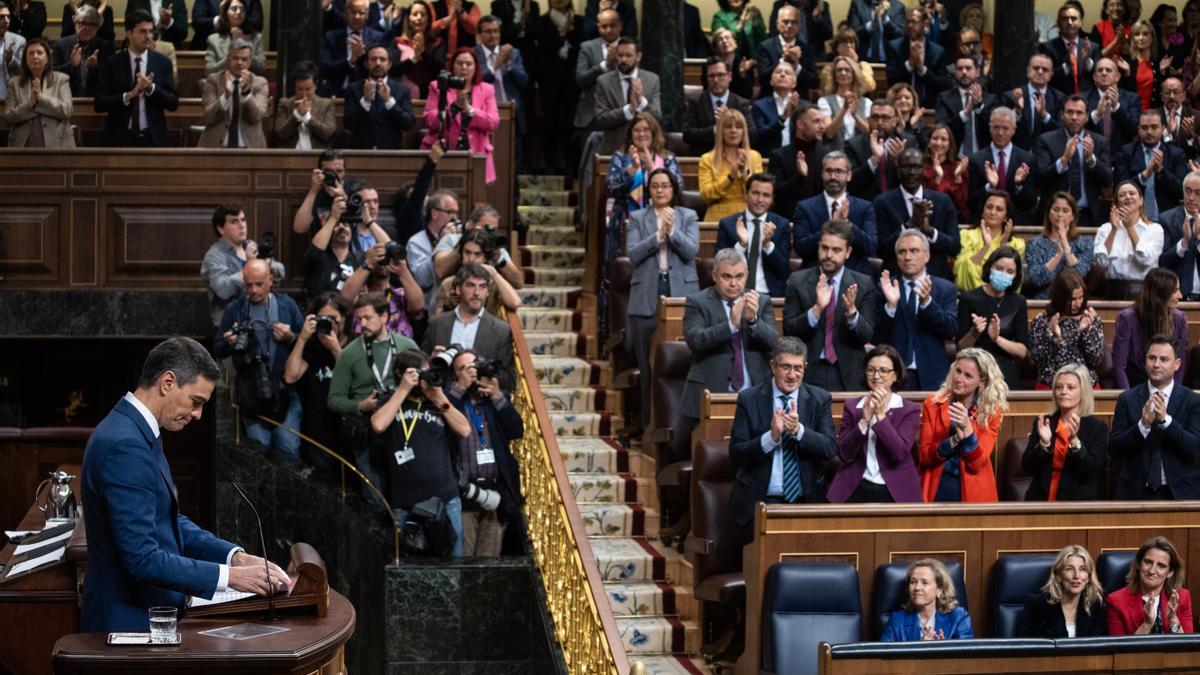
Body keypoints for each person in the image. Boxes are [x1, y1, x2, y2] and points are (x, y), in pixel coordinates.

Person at [80, 337, 290, 632]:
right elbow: (142, 559)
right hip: (128, 624)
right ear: (167, 382)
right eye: (196, 402)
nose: (197, 415)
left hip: (146, 612)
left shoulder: (138, 430)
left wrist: (235, 557)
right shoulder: (124, 444)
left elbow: (167, 518)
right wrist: (229, 577)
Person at [370, 348, 471, 557]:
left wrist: (439, 396)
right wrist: (403, 390)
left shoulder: (437, 403)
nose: (423, 377)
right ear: (401, 374)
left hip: (446, 499)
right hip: (406, 502)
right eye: (418, 373)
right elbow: (378, 425)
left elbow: (464, 429)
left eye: (426, 371)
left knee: (453, 563)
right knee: (410, 570)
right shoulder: (390, 400)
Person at [727, 337, 836, 526]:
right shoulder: (749, 398)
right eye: (785, 367)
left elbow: (829, 449)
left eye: (798, 368)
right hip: (760, 502)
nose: (792, 375)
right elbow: (736, 454)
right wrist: (771, 438)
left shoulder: (820, 399)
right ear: (772, 365)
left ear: (805, 366)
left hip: (805, 501)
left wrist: (799, 431)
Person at [625, 168, 699, 426]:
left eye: (665, 185)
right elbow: (633, 254)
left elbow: (691, 251)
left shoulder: (688, 216)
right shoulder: (637, 218)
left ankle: (678, 426)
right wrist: (658, 236)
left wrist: (672, 231)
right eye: (655, 186)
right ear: (649, 190)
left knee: (683, 364)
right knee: (648, 369)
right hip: (646, 296)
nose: (659, 190)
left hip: (681, 293)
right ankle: (648, 427)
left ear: (673, 189)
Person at [213, 260, 305, 459]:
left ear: (270, 280)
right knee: (257, 455)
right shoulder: (235, 309)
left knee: (288, 451)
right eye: (248, 285)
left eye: (259, 284)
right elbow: (217, 349)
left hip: (284, 392)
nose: (253, 290)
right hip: (251, 393)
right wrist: (229, 342)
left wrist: (291, 338)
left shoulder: (286, 305)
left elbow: (307, 343)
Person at [327, 293, 420, 489]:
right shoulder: (349, 353)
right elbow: (334, 399)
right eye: (359, 319)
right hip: (367, 431)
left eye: (368, 318)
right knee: (374, 490)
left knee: (408, 485)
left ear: (384, 317)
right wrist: (360, 405)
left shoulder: (407, 346)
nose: (362, 324)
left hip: (404, 427)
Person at [681, 248, 778, 421]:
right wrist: (730, 325)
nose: (733, 284)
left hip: (755, 391)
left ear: (747, 275)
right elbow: (695, 341)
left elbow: (774, 343)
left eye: (739, 276)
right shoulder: (697, 302)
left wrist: (754, 321)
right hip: (711, 391)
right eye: (727, 277)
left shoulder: (760, 302)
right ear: (714, 276)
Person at [783, 219, 879, 392]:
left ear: (848, 252)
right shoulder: (797, 281)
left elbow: (867, 333)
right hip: (807, 370)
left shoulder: (863, 284)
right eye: (825, 248)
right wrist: (816, 309)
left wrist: (851, 313)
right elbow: (789, 329)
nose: (829, 255)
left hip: (847, 372)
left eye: (836, 250)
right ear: (818, 246)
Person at [444, 348, 524, 556]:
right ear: (455, 376)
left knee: (489, 563)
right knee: (465, 559)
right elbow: (441, 422)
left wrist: (497, 396)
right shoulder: (450, 401)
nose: (470, 372)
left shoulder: (495, 398)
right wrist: (459, 389)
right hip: (464, 495)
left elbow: (516, 430)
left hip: (495, 493)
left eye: (473, 366)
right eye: (463, 368)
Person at [828, 344, 922, 503]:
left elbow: (898, 453)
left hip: (895, 488)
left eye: (883, 371)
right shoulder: (853, 407)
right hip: (856, 484)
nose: (876, 376)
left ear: (896, 375)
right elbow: (844, 454)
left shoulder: (909, 410)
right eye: (871, 370)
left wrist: (880, 416)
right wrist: (864, 421)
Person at [1110, 335, 1200, 499]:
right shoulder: (1127, 399)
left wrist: (1166, 421)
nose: (1156, 364)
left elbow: (1193, 448)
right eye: (1152, 358)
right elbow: (1115, 449)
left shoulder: (1193, 401)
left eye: (1164, 359)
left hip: (1180, 492)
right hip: (1135, 492)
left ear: (1177, 364)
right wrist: (1142, 425)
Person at [918, 348, 1006, 502]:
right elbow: (925, 457)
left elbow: (977, 464)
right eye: (958, 371)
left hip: (975, 490)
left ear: (982, 381)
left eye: (968, 376)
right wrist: (952, 442)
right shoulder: (932, 404)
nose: (959, 378)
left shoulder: (990, 412)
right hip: (937, 485)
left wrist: (968, 430)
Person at [878, 229, 959, 391]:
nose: (908, 257)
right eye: (902, 252)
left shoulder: (945, 289)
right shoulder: (884, 288)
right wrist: (891, 306)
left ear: (927, 256)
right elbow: (876, 336)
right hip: (894, 375)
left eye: (914, 251)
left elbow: (950, 330)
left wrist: (928, 303)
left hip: (933, 375)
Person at [284, 292, 352, 477]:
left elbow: (354, 382)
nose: (328, 323)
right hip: (317, 431)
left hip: (345, 431)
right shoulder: (313, 347)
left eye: (333, 318)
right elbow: (290, 376)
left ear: (344, 319)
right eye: (323, 318)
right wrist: (303, 338)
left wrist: (336, 349)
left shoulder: (353, 347)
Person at [422, 264, 516, 391]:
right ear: (458, 289)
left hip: (481, 404)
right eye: (471, 285)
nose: (477, 293)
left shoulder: (501, 330)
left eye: (482, 287)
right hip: (441, 401)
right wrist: (431, 362)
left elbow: (509, 380)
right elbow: (422, 367)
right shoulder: (436, 324)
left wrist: (487, 374)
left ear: (488, 292)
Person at [1022, 364, 1108, 501]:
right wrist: (1044, 444)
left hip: (1077, 503)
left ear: (1083, 391)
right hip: (1040, 499)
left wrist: (1075, 441)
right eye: (1058, 387)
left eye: (1070, 387)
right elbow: (1027, 467)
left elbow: (1090, 471)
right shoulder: (1044, 422)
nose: (1063, 392)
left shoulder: (1097, 428)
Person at [875, 146, 960, 281]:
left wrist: (930, 231)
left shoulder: (942, 201)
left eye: (917, 167)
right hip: (896, 278)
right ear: (898, 170)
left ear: (924, 170)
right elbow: (881, 249)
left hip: (936, 276)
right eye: (907, 167)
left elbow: (955, 247)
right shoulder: (883, 202)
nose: (912, 172)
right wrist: (909, 226)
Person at [95, 10, 178, 147]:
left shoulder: (162, 62)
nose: (148, 36)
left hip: (153, 139)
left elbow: (173, 103)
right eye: (142, 32)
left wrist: (150, 89)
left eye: (150, 31)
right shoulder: (112, 63)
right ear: (128, 33)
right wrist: (129, 95)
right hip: (119, 139)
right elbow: (99, 104)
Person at [1034, 94, 1115, 228]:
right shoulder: (1046, 140)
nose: (1074, 117)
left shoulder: (1099, 141)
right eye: (1070, 112)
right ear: (1062, 115)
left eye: (1079, 113)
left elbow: (1107, 180)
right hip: (1055, 217)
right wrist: (1064, 160)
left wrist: (1091, 159)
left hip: (1089, 216)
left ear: (1087, 116)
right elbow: (1040, 179)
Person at [793, 151, 877, 275]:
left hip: (855, 277)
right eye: (829, 171)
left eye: (839, 171)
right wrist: (832, 224)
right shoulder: (805, 207)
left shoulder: (865, 207)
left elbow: (870, 246)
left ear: (849, 175)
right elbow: (801, 248)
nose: (833, 176)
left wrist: (847, 224)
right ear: (822, 174)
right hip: (814, 277)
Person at [422, 47, 500, 182]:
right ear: (452, 66)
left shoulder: (487, 89)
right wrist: (454, 108)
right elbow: (430, 120)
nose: (464, 67)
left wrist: (469, 109)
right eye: (459, 63)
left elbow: (493, 122)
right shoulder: (438, 86)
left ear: (476, 67)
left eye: (469, 64)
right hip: (443, 152)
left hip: (475, 154)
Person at [957, 247, 1029, 387]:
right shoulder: (969, 298)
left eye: (1010, 272)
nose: (1003, 274)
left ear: (1016, 275)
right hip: (975, 370)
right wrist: (974, 333)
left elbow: (1022, 351)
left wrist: (997, 339)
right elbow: (960, 348)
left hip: (1005, 372)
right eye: (999, 268)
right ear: (990, 267)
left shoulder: (1018, 302)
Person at [715, 173, 791, 298]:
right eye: (755, 193)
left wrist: (768, 245)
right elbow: (719, 266)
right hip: (734, 293)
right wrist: (741, 245)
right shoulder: (728, 224)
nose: (760, 200)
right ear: (746, 194)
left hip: (769, 295)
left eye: (766, 195)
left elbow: (783, 270)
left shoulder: (781, 225)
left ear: (772, 199)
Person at [1029, 269, 1105, 389]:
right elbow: (1035, 360)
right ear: (1060, 297)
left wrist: (1085, 333)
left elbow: (1096, 360)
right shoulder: (1042, 321)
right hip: (1052, 385)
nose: (1078, 304)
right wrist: (1054, 338)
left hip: (1085, 385)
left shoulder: (1091, 319)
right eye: (1073, 299)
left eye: (1081, 298)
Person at [1113, 267, 1188, 388]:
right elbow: (1119, 366)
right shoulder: (1128, 318)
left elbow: (1180, 365)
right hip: (1134, 385)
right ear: (1161, 293)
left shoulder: (1179, 319)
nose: (1180, 295)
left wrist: (1172, 395)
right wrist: (1128, 398)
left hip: (1167, 387)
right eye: (1175, 291)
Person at [529, 0, 581, 172]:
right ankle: (550, 161)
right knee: (550, 120)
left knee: (569, 122)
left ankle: (569, 162)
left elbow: (581, 44)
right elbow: (543, 47)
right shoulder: (542, 22)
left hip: (572, 81)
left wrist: (568, 33)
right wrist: (562, 36)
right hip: (549, 80)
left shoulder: (578, 21)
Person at [1107, 536, 1194, 634]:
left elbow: (1186, 646)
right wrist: (1147, 624)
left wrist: (1173, 619)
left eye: (1161, 566)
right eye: (1148, 562)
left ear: (1170, 572)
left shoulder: (1182, 597)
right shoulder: (1116, 601)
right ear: (1139, 564)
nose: (1152, 570)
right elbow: (1120, 648)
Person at [1018, 544, 1108, 637]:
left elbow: (1103, 646)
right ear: (1058, 575)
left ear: (1089, 577)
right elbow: (1026, 646)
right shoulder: (1038, 605)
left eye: (1083, 569)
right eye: (1069, 569)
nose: (1076, 576)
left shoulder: (1096, 605)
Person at [768, 101, 838, 220]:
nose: (822, 126)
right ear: (800, 124)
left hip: (820, 220)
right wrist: (799, 177)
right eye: (816, 121)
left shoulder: (827, 155)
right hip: (789, 219)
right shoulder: (779, 155)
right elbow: (776, 194)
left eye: (822, 121)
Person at [592, 36, 661, 156]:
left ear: (638, 57)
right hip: (612, 151)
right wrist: (628, 110)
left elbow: (657, 116)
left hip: (645, 152)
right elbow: (600, 118)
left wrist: (641, 101)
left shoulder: (652, 80)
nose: (623, 60)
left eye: (628, 56)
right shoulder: (603, 81)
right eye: (620, 55)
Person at [1095, 181, 1165, 298]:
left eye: (1132, 193)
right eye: (1122, 195)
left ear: (1141, 200)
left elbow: (1145, 259)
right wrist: (1113, 230)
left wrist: (1129, 227)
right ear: (1116, 203)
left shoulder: (1154, 229)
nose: (1127, 197)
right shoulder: (1105, 229)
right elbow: (1101, 263)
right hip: (1114, 289)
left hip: (1144, 290)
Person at [1117, 108, 1188, 221]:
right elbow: (1120, 187)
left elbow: (1181, 190)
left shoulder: (1176, 154)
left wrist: (1161, 171)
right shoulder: (1127, 152)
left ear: (1163, 129)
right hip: (1133, 218)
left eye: (1154, 127)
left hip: (1167, 219)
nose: (1149, 132)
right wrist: (1144, 175)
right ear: (1138, 130)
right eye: (1144, 127)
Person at [475, 14, 529, 161]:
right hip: (484, 114)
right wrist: (495, 66)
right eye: (488, 32)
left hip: (511, 113)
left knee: (512, 159)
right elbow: (476, 82)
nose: (493, 35)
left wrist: (510, 64)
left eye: (496, 31)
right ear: (479, 35)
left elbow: (524, 83)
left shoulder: (513, 53)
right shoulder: (473, 54)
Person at [198, 38, 268, 148]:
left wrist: (246, 93)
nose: (239, 62)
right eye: (235, 58)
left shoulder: (260, 83)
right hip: (215, 148)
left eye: (244, 59)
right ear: (228, 59)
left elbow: (257, 116)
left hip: (250, 149)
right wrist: (225, 97)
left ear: (250, 62)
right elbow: (208, 116)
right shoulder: (213, 81)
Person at [880, 559, 974, 641]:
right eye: (913, 582)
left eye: (925, 582)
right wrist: (919, 648)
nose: (917, 587)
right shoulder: (897, 620)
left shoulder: (958, 617)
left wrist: (944, 649)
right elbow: (883, 658)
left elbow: (968, 656)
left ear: (939, 589)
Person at [4, 37, 72, 148]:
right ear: (25, 60)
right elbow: (8, 118)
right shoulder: (14, 83)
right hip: (22, 145)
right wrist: (30, 104)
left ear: (47, 59)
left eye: (39, 53)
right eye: (31, 53)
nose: (35, 56)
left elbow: (66, 111)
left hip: (57, 145)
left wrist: (41, 99)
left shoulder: (61, 79)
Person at [845, 98, 918, 201]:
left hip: (898, 203)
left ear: (894, 121)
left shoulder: (908, 142)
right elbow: (850, 182)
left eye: (885, 118)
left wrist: (901, 161)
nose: (879, 122)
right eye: (875, 117)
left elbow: (916, 180)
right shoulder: (853, 145)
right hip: (867, 203)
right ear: (869, 120)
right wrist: (874, 160)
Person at [347, 44, 417, 151]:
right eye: (373, 59)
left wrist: (389, 101)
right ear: (366, 64)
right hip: (360, 152)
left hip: (391, 153)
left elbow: (408, 124)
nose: (378, 63)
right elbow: (349, 124)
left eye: (382, 59)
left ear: (389, 65)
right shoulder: (354, 89)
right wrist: (365, 101)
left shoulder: (402, 90)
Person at [1024, 194, 1095, 299]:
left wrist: (1066, 246)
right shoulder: (1034, 244)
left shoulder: (1085, 242)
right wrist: (1058, 255)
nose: (1060, 214)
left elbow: (1080, 274)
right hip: (1044, 300)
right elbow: (1037, 279)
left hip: (1075, 300)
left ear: (1073, 216)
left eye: (1065, 210)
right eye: (1056, 209)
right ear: (1049, 214)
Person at [683, 56, 756, 155]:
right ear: (707, 78)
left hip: (735, 156)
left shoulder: (741, 103)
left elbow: (752, 134)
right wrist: (715, 130)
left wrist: (729, 122)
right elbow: (687, 135)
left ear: (729, 76)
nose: (716, 80)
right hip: (702, 156)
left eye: (720, 75)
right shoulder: (695, 102)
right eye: (711, 76)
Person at [700, 107, 763, 222]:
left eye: (738, 127)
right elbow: (706, 195)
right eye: (728, 126)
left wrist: (745, 172)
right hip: (717, 216)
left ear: (744, 131)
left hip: (748, 214)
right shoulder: (707, 159)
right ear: (720, 131)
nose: (733, 131)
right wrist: (730, 177)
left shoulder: (754, 156)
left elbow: (759, 193)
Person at [571, 8, 620, 153]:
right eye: (604, 26)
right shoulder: (587, 47)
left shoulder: (629, 47)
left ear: (620, 26)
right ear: (598, 27)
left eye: (613, 25)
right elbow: (581, 79)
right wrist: (605, 65)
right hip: (590, 115)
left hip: (619, 114)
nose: (608, 30)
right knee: (588, 163)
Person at [955, 191, 1025, 291]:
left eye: (999, 209)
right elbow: (963, 273)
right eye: (989, 207)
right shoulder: (966, 236)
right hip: (971, 295)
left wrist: (1003, 247)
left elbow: (1014, 282)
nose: (992, 212)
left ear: (1006, 217)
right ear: (982, 211)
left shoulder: (1017, 244)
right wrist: (986, 246)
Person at [319, 0, 386, 98]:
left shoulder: (377, 37)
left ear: (367, 15)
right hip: (337, 93)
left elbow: (379, 69)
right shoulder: (332, 37)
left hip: (367, 93)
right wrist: (349, 61)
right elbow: (325, 67)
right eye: (353, 12)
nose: (357, 16)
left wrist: (362, 56)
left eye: (361, 13)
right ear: (346, 13)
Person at [886, 5, 948, 108]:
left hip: (930, 107)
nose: (910, 25)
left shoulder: (938, 52)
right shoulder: (895, 47)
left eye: (914, 22)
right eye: (908, 22)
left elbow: (942, 85)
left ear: (925, 23)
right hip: (901, 105)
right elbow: (891, 81)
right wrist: (909, 64)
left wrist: (922, 69)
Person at [200, 204, 251, 328]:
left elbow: (279, 274)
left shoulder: (250, 246)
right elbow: (223, 290)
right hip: (229, 325)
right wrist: (250, 270)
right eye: (234, 221)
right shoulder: (214, 256)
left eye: (243, 220)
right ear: (221, 229)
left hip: (255, 319)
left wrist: (269, 267)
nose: (242, 225)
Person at [1005, 53, 1066, 152]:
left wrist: (1044, 115)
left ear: (1051, 75)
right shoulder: (1012, 96)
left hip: (1048, 153)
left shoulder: (1059, 98)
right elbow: (1003, 129)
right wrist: (1017, 111)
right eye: (1036, 68)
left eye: (1045, 69)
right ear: (1028, 71)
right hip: (1018, 152)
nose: (1040, 72)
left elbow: (1061, 130)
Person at [935, 55, 994, 157]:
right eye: (960, 69)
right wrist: (965, 114)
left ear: (977, 72)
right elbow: (941, 127)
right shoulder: (944, 98)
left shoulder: (990, 99)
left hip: (983, 158)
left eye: (968, 68)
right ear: (955, 73)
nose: (964, 72)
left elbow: (995, 127)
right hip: (954, 157)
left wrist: (979, 106)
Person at [52, 4, 113, 97]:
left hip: (96, 101)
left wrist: (96, 66)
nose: (86, 28)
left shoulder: (106, 47)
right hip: (65, 98)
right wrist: (71, 65)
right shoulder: (60, 45)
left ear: (98, 27)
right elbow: (52, 75)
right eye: (82, 23)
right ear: (75, 23)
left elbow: (112, 78)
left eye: (92, 24)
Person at [274, 61, 337, 150]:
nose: (304, 95)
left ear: (315, 86)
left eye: (308, 89)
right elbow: (280, 134)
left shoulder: (326, 104)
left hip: (317, 155)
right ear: (295, 87)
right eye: (300, 89)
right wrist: (297, 115)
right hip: (289, 155)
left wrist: (307, 118)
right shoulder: (285, 104)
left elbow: (328, 133)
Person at [1085, 57, 1144, 152]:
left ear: (1117, 77)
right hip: (1093, 153)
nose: (1104, 73)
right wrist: (1097, 115)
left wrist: (1117, 107)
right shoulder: (1084, 98)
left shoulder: (1132, 99)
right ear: (1094, 77)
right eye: (1100, 70)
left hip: (1122, 156)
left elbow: (1134, 130)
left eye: (1108, 70)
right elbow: (1079, 128)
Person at [1158, 171, 1200, 297]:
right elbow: (1162, 262)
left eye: (1198, 193)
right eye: (1188, 191)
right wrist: (1184, 243)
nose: (1191, 198)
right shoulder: (1166, 219)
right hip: (1176, 297)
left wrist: (1198, 240)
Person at [393, 1, 445, 98]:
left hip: (431, 95)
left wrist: (423, 53)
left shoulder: (438, 42)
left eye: (423, 14)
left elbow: (440, 70)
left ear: (428, 19)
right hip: (402, 94)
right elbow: (393, 70)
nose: (419, 18)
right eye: (415, 14)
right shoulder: (398, 42)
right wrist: (413, 59)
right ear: (408, 19)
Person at [818, 55, 872, 143]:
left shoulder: (866, 102)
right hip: (835, 151)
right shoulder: (824, 101)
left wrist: (855, 116)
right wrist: (844, 109)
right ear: (834, 76)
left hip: (859, 152)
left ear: (854, 74)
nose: (843, 73)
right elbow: (829, 133)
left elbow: (868, 132)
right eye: (839, 70)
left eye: (847, 70)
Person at [203, 0, 265, 76]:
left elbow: (262, 69)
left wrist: (244, 46)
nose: (238, 12)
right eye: (234, 8)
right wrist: (231, 54)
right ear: (226, 13)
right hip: (222, 84)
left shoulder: (256, 38)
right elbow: (209, 71)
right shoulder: (213, 39)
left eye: (242, 9)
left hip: (249, 83)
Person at [752, 61, 801, 155]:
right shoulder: (759, 105)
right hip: (770, 159)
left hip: (798, 157)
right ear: (771, 81)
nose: (782, 75)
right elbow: (760, 135)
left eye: (787, 73)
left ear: (794, 83)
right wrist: (783, 117)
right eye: (778, 72)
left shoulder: (804, 105)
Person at [292, 149, 346, 236]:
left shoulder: (353, 190)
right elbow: (299, 228)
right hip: (321, 246)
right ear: (321, 172)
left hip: (348, 247)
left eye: (339, 171)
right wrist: (313, 191)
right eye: (329, 172)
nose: (334, 176)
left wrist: (343, 196)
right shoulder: (316, 194)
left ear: (345, 172)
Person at [923, 124, 969, 221]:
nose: (939, 143)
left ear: (950, 143)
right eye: (935, 138)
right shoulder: (922, 166)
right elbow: (926, 199)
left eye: (943, 139)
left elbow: (961, 203)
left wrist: (958, 177)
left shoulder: (958, 166)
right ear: (929, 142)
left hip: (953, 218)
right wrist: (938, 178)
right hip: (929, 217)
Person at [710, 0, 765, 76]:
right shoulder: (719, 17)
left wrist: (757, 25)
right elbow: (721, 44)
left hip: (754, 64)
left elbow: (762, 40)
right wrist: (740, 26)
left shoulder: (754, 13)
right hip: (730, 65)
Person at [847, 0, 906, 65]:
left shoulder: (898, 6)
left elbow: (901, 34)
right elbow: (851, 33)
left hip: (890, 62)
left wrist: (885, 20)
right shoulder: (857, 4)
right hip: (863, 60)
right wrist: (871, 25)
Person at [192, 0, 263, 50]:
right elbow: (197, 22)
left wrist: (237, 20)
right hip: (206, 47)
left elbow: (257, 23)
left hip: (245, 47)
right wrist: (222, 19)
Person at [825, 27, 875, 93]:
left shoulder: (864, 66)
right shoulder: (829, 68)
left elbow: (869, 87)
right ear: (837, 47)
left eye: (851, 42)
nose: (848, 45)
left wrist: (855, 65)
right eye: (844, 42)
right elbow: (828, 89)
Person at [710, 27, 754, 102]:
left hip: (739, 105)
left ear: (735, 43)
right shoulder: (710, 66)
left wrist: (742, 74)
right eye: (720, 40)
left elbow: (748, 94)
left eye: (727, 38)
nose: (724, 41)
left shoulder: (744, 64)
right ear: (716, 48)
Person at [888, 82, 928, 148]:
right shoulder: (888, 123)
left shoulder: (921, 126)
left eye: (907, 98)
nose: (903, 100)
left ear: (913, 101)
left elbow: (924, 148)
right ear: (892, 101)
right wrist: (899, 130)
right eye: (898, 98)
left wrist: (912, 126)